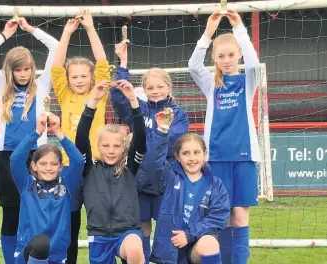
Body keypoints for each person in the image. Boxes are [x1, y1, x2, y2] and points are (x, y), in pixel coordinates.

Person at [0, 17, 59, 264]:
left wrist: (31, 29)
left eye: (27, 69)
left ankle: (39, 257)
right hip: (9, 158)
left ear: (32, 69)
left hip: (39, 157)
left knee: (38, 212)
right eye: (18, 69)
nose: (23, 74)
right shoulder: (2, 87)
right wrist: (6, 34)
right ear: (10, 71)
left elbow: (56, 47)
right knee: (11, 214)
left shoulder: (43, 85)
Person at [188, 9, 261, 264]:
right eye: (221, 56)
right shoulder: (211, 84)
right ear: (215, 58)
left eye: (231, 55)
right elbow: (193, 65)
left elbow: (253, 64)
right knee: (222, 217)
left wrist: (239, 28)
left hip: (243, 157)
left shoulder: (247, 81)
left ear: (238, 54)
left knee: (240, 216)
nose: (227, 60)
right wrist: (209, 32)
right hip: (216, 158)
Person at [111, 40, 190, 263]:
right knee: (141, 224)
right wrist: (123, 64)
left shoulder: (179, 115)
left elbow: (170, 141)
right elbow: (118, 99)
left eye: (160, 87)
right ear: (144, 90)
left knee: (168, 227)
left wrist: (144, 137)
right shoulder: (140, 109)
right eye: (150, 88)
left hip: (166, 177)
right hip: (139, 176)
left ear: (169, 88)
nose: (155, 91)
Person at [51, 10, 110, 263]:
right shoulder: (64, 95)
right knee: (70, 224)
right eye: (73, 76)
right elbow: (56, 66)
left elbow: (102, 62)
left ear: (93, 78)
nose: (78, 80)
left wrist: (90, 29)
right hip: (69, 165)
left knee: (101, 222)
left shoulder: (100, 93)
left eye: (84, 75)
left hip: (97, 165)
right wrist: (66, 33)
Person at [137, 108, 230, 264]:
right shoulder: (168, 177)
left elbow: (218, 218)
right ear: (177, 157)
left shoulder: (216, 185)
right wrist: (162, 131)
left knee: (210, 243)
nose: (192, 158)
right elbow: (153, 163)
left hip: (195, 246)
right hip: (170, 250)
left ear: (204, 154)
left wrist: (189, 235)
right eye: (186, 153)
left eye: (196, 152)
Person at [75, 79, 146, 264]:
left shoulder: (130, 167)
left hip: (127, 231)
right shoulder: (88, 169)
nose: (111, 150)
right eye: (106, 145)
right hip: (99, 235)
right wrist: (93, 101)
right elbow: (81, 138)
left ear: (124, 148)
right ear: (98, 146)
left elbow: (141, 138)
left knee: (135, 249)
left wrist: (133, 100)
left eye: (116, 145)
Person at [9, 113, 84, 264]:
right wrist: (36, 132)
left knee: (45, 244)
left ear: (61, 167)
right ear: (34, 166)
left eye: (54, 164)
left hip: (57, 255)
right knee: (41, 243)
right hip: (29, 253)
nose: (48, 168)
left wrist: (58, 132)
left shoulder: (66, 185)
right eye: (43, 164)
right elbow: (15, 159)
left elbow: (78, 161)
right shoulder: (27, 184)